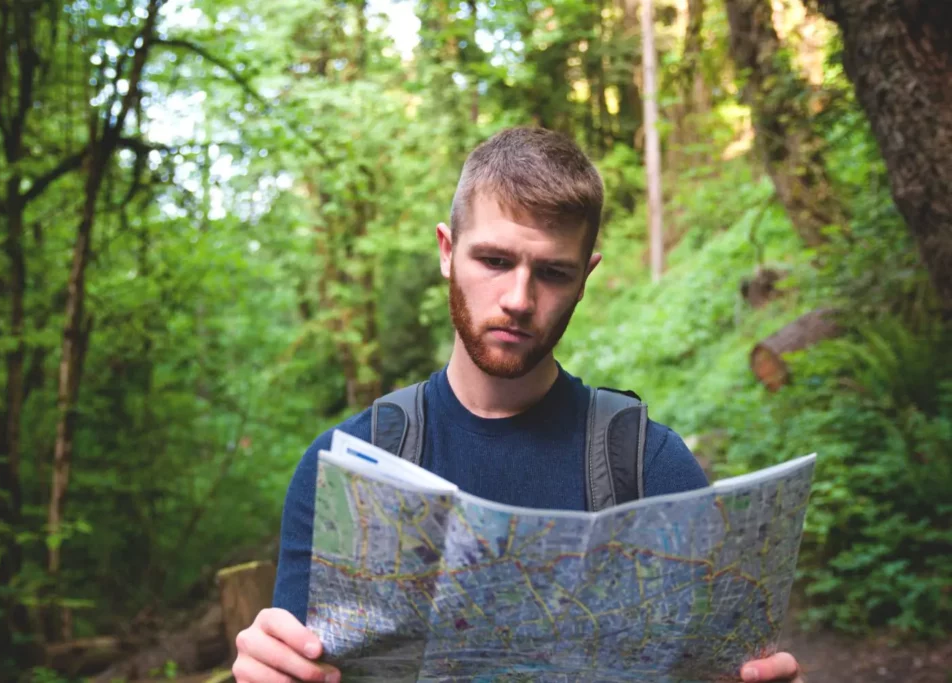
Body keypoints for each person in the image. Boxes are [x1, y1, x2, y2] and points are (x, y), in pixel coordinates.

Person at [232, 128, 806, 683]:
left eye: (553, 272)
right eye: (495, 261)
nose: (518, 300)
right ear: (447, 251)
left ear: (585, 277)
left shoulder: (649, 467)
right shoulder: (344, 467)